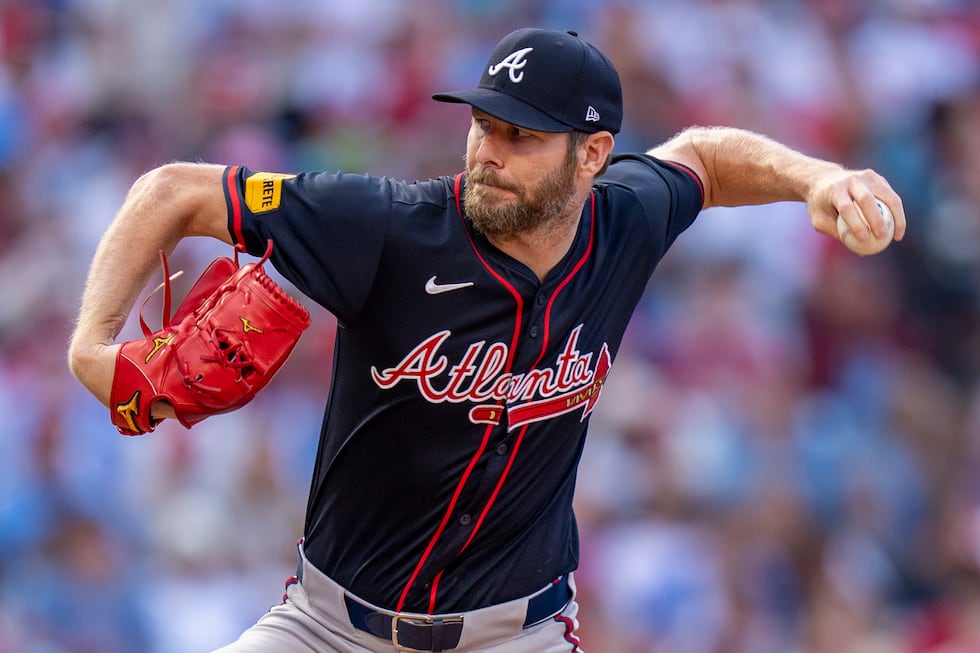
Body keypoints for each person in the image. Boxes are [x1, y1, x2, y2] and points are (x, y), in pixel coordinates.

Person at [68, 27, 905, 653]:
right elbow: (171, 192)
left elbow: (707, 159)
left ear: (593, 155)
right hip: (329, 628)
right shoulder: (383, 225)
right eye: (485, 125)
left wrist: (819, 178)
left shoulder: (625, 222)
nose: (490, 153)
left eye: (522, 137)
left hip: (517, 634)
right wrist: (91, 345)